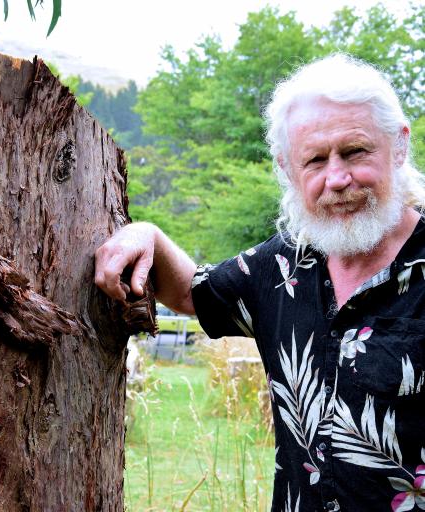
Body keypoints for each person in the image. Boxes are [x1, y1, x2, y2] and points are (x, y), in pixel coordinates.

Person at [94, 54, 425, 512]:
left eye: (355, 152)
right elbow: (193, 293)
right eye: (314, 160)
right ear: (288, 169)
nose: (337, 178)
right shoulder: (284, 264)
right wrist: (145, 233)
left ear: (399, 146)